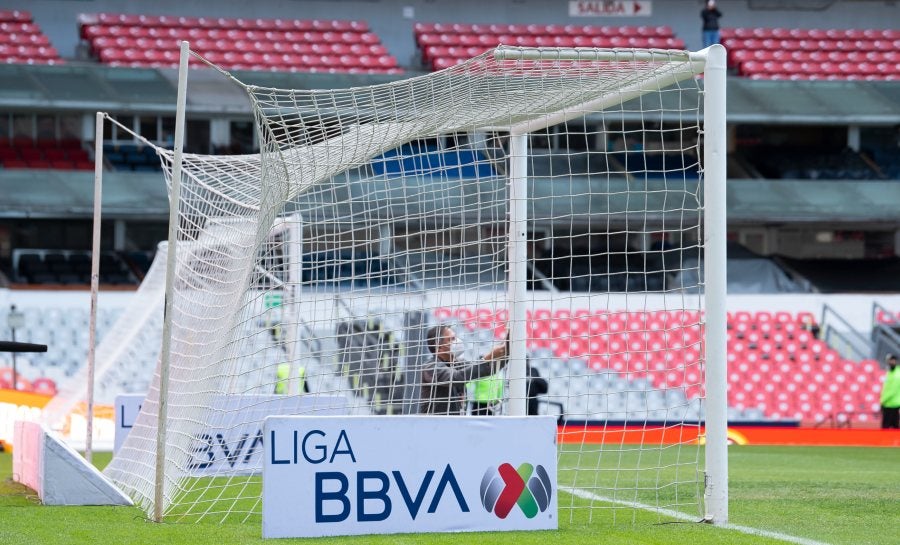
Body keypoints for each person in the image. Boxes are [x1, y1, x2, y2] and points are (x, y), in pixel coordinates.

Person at [420, 325, 508, 415]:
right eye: (452, 339)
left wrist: (505, 352)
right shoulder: (430, 367)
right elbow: (456, 377)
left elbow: (485, 369)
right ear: (439, 347)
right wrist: (488, 357)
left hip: (457, 423)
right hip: (435, 424)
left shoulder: (458, 363)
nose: (458, 341)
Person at [880, 354, 900, 429]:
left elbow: (892, 390)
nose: (892, 362)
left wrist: (883, 400)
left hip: (892, 404)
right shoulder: (890, 373)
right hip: (889, 403)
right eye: (890, 360)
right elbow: (886, 388)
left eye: (893, 360)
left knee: (886, 426)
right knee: (894, 426)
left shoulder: (897, 374)